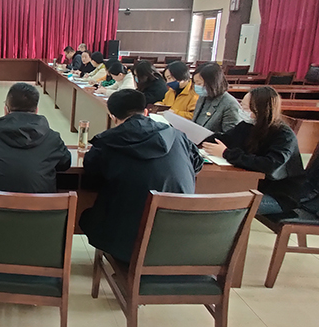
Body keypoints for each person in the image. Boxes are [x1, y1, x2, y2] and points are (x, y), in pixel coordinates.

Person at [80, 89, 203, 263]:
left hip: (128, 245)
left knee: (88, 215)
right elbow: (197, 164)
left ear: (113, 117)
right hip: (180, 240)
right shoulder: (177, 136)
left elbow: (91, 177)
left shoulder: (107, 142)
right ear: (146, 112)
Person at [202, 86, 305, 215]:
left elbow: (269, 165)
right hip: (250, 186)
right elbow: (226, 138)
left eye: (245, 108)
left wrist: (226, 153)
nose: (241, 110)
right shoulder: (248, 124)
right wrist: (201, 138)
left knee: (221, 207)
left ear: (260, 109)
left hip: (278, 195)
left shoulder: (284, 135)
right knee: (208, 193)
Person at [0, 82, 71, 193]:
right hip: (40, 204)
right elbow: (65, 163)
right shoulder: (52, 138)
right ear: (36, 110)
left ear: (6, 110)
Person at [192, 62, 242, 132]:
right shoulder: (203, 97)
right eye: (195, 83)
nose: (196, 86)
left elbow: (230, 135)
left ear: (212, 83)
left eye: (199, 83)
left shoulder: (230, 104)